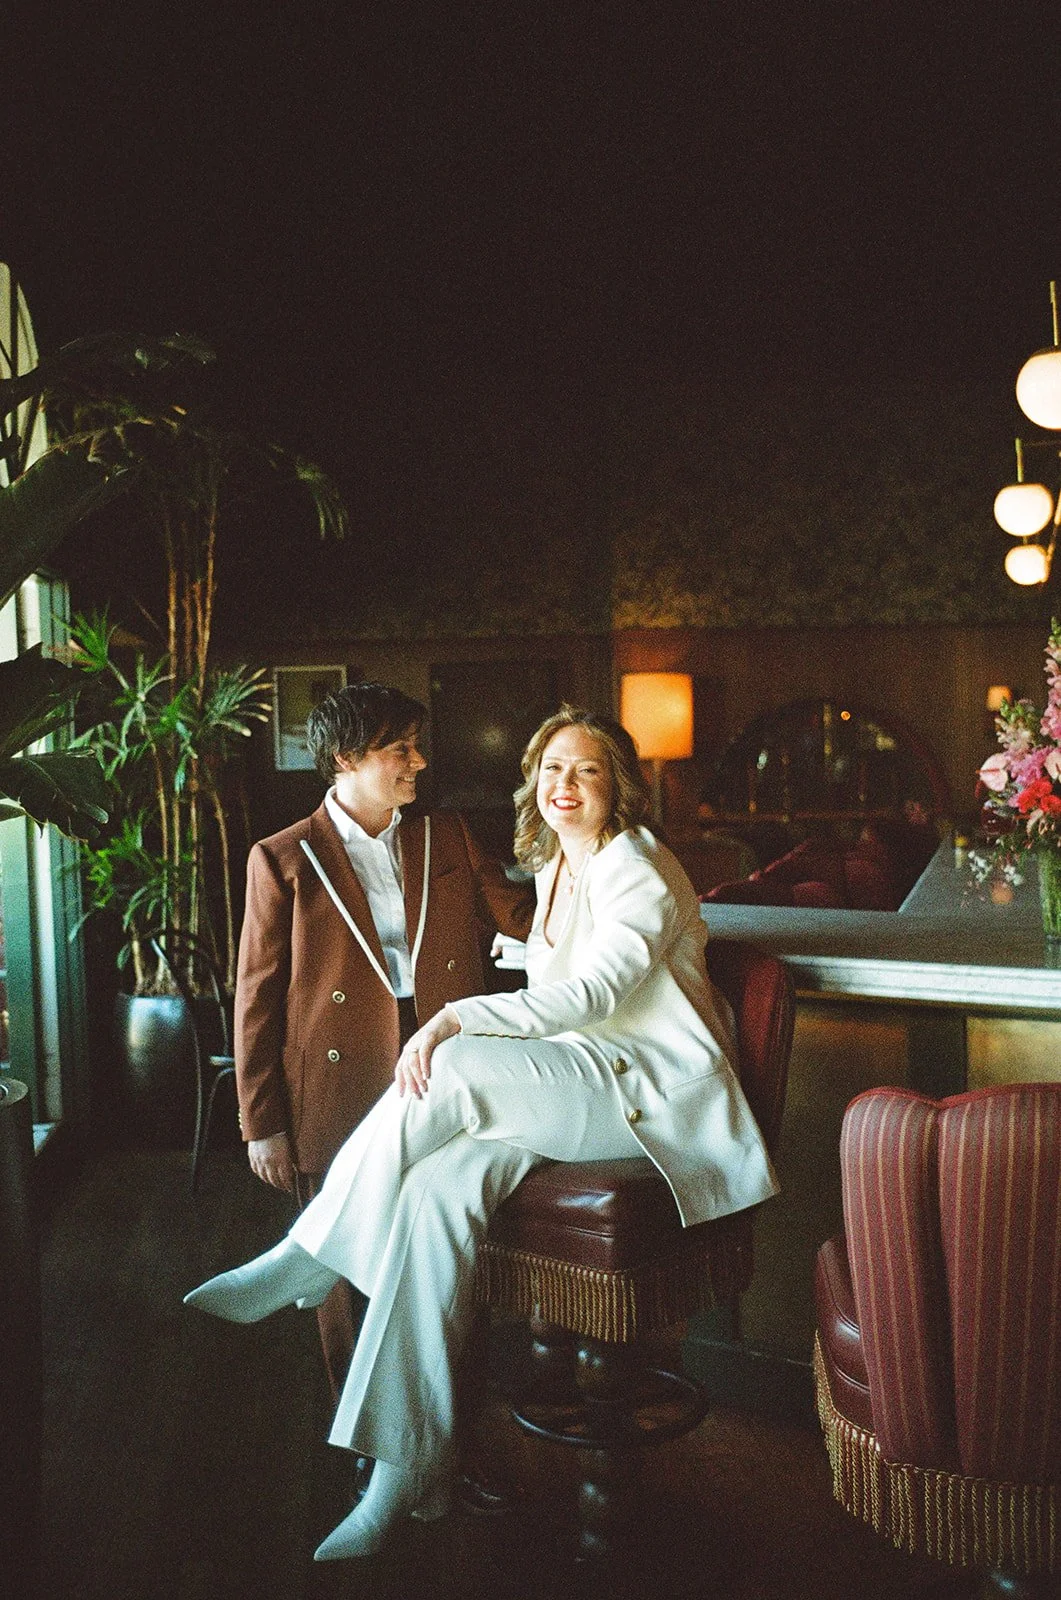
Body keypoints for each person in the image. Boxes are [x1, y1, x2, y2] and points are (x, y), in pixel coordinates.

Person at [186, 704, 779, 1562]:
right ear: (532, 784)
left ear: (620, 786)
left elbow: (590, 998)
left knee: (451, 1065)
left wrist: (451, 1020)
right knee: (432, 1192)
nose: (565, 786)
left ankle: (309, 1254)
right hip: (580, 1088)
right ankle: (404, 1470)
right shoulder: (558, 869)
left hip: (645, 1099)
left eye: (587, 770)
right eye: (551, 770)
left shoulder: (637, 866)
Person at [234, 680, 534, 1399]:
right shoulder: (283, 856)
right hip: (334, 1077)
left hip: (443, 1061)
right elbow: (256, 999)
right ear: (345, 759)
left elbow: (523, 920)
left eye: (415, 746)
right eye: (400, 749)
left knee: (450, 1251)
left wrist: (604, 876)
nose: (419, 762)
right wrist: (262, 1124)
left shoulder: (448, 834)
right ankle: (366, 1451)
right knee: (343, 1270)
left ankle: (453, 1434)